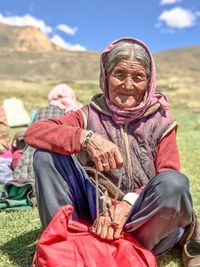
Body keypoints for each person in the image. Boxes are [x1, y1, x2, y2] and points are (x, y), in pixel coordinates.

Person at [24, 37, 199, 266]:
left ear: (149, 81)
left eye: (138, 77)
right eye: (119, 74)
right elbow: (35, 133)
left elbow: (167, 172)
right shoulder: (88, 114)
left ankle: (123, 244)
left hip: (142, 218)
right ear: (106, 77)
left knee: (174, 184)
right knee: (46, 155)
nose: (128, 85)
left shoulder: (161, 120)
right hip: (96, 208)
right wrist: (85, 138)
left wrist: (127, 203)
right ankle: (65, 242)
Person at [3, 83, 82, 208]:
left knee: (22, 155)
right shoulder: (73, 112)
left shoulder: (39, 112)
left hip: (26, 164)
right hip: (56, 163)